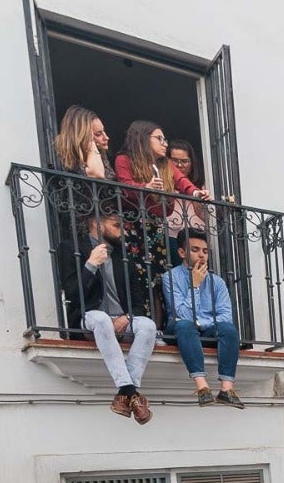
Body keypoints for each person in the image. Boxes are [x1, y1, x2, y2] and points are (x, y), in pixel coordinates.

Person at [57, 209, 157, 422]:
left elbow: (139, 303)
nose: (122, 231)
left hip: (121, 320)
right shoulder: (71, 248)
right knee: (102, 319)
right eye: (116, 225)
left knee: (148, 325)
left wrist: (127, 318)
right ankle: (131, 392)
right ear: (97, 223)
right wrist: (91, 264)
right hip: (89, 317)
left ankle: (126, 393)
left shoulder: (123, 257)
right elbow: (73, 295)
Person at [162, 229, 243, 408]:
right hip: (179, 329)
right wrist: (195, 286)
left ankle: (226, 389)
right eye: (195, 250)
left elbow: (226, 316)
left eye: (205, 251)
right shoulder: (171, 277)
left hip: (205, 328)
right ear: (182, 252)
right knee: (184, 325)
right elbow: (181, 314)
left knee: (229, 329)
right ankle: (202, 387)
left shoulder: (218, 282)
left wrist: (201, 323)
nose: (201, 255)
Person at [53, 105, 107, 179]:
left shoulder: (101, 154)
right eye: (98, 134)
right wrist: (91, 143)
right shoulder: (62, 155)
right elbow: (97, 174)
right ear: (83, 135)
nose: (106, 137)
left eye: (103, 131)